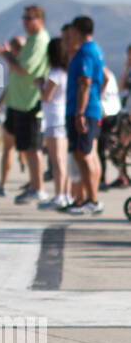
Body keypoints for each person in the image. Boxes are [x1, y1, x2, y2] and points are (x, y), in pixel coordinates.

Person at [0, 5, 50, 204]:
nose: (25, 22)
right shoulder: (32, 41)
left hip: (30, 102)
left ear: (39, 19)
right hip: (20, 103)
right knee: (25, 147)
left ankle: (38, 187)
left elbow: (24, 69)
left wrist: (6, 55)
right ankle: (33, 185)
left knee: (33, 148)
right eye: (24, 18)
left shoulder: (39, 40)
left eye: (29, 18)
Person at [65, 15, 105, 217]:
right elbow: (103, 78)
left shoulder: (85, 52)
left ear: (77, 30)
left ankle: (92, 199)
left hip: (84, 109)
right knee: (89, 154)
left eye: (71, 30)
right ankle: (92, 198)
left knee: (83, 154)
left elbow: (85, 83)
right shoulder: (96, 50)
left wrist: (80, 112)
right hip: (92, 108)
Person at [0, 36, 25, 196]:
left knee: (23, 150)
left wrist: (7, 55)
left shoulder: (17, 65)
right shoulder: (18, 65)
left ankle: (5, 183)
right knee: (18, 149)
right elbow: (9, 88)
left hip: (22, 109)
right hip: (18, 109)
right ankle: (3, 183)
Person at [36, 37, 70, 209]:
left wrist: (40, 85)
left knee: (57, 161)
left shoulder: (55, 73)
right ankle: (66, 194)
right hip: (63, 118)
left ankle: (60, 195)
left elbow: (47, 96)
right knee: (64, 159)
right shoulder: (66, 72)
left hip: (54, 119)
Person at [97, 64, 122, 189]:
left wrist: (98, 94)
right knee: (111, 146)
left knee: (100, 147)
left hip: (106, 113)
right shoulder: (110, 73)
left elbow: (105, 76)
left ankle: (102, 179)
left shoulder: (102, 71)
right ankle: (120, 175)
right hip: (114, 111)